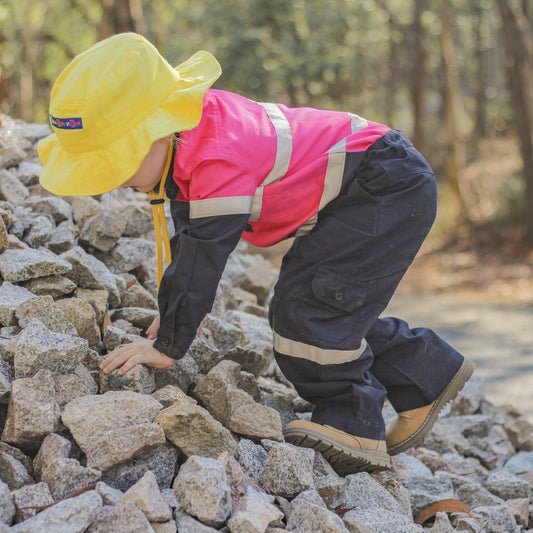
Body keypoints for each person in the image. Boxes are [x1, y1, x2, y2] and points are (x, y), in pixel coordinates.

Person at [38, 32, 474, 475]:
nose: (116, 181)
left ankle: (355, 422)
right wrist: (174, 316)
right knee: (317, 306)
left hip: (383, 186)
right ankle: (426, 374)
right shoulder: (192, 135)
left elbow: (204, 253)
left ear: (160, 131)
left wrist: (169, 344)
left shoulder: (217, 158)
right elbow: (189, 241)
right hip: (372, 181)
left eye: (118, 163)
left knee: (306, 313)